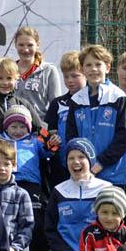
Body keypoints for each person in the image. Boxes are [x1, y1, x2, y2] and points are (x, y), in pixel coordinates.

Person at [0, 105, 56, 251]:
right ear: (6, 127)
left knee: (38, 223)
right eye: (14, 126)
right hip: (6, 184)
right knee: (4, 221)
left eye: (22, 126)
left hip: (31, 185)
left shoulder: (33, 140)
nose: (18, 130)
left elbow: (49, 151)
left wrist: (52, 142)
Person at [45, 139, 112, 251]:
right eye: (71, 158)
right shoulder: (59, 191)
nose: (76, 162)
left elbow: (114, 228)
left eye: (81, 157)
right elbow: (51, 230)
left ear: (90, 160)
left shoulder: (106, 189)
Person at [64, 45, 126, 187]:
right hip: (83, 174)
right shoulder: (76, 100)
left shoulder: (118, 97)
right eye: (88, 65)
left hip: (112, 175)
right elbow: (71, 138)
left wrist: (100, 163)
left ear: (107, 67)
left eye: (98, 64)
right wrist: (83, 165)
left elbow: (123, 138)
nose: (93, 69)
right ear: (82, 69)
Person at [0, 58, 45, 137]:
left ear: (16, 78)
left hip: (20, 148)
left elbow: (39, 129)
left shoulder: (23, 104)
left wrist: (50, 139)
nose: (5, 83)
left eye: (9, 78)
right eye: (0, 78)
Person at [44, 50, 87, 186]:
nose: (69, 81)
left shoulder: (93, 101)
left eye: (75, 76)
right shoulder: (57, 103)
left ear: (86, 74)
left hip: (87, 162)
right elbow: (48, 132)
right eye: (66, 76)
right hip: (61, 165)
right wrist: (52, 140)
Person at [13, 26, 62, 127]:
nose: (25, 49)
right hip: (11, 128)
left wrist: (50, 129)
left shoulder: (49, 70)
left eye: (30, 45)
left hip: (38, 129)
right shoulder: (8, 70)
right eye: (21, 45)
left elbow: (56, 106)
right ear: (15, 45)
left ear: (38, 45)